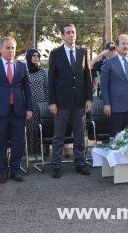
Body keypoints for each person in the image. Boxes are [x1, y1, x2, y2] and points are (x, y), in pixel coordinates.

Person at [0, 37, 33, 183]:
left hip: (18, 111)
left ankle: (15, 170)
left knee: (18, 143)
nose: (11, 51)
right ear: (1, 49)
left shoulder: (22, 66)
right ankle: (2, 171)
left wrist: (29, 108)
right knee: (0, 143)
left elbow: (27, 89)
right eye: (7, 48)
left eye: (13, 48)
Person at [48, 24, 93, 178]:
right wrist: (52, 102)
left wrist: (89, 98)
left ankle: (80, 163)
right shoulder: (55, 53)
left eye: (73, 32)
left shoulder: (83, 52)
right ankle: (56, 166)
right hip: (61, 103)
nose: (71, 35)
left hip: (80, 102)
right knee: (59, 136)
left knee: (80, 136)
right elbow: (51, 80)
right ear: (63, 35)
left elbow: (88, 76)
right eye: (68, 32)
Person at [100, 34, 128, 137]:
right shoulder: (109, 63)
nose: (126, 46)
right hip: (116, 107)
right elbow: (104, 85)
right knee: (116, 138)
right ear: (116, 46)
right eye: (123, 43)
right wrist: (106, 103)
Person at [25, 49, 49, 156]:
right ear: (29, 57)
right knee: (30, 127)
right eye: (33, 56)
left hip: (41, 104)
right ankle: (30, 151)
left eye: (38, 56)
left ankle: (43, 152)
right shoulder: (24, 71)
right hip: (29, 104)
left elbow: (47, 88)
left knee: (42, 127)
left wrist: (47, 103)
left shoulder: (42, 71)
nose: (36, 58)